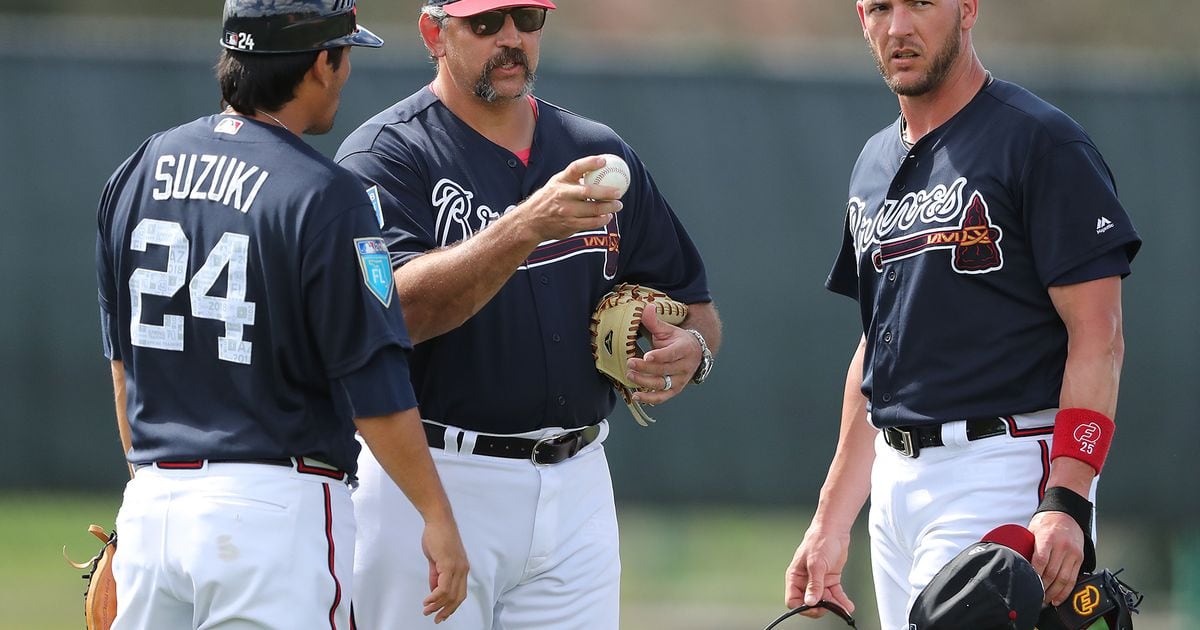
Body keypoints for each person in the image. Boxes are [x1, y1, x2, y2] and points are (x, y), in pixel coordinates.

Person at [334, 0, 722, 627]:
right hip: (434, 479)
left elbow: (696, 305)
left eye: (527, 18)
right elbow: (393, 312)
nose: (510, 38)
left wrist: (691, 351)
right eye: (485, 23)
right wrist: (527, 225)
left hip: (579, 480)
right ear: (434, 32)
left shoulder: (595, 152)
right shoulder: (386, 156)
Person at [95, 1, 468, 627]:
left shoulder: (138, 169)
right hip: (272, 514)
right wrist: (436, 515)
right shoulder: (326, 195)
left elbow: (123, 363)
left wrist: (149, 487)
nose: (347, 73)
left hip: (153, 507)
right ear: (321, 62)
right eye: (345, 55)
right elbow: (373, 383)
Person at [783, 1, 1141, 628]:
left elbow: (1099, 334)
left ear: (968, 8)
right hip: (895, 485)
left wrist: (1068, 496)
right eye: (879, 8)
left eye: (921, 3)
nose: (898, 27)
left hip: (1000, 465)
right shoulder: (873, 162)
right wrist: (832, 519)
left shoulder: (1039, 140)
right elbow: (878, 348)